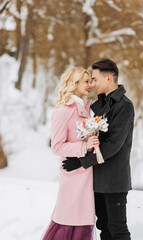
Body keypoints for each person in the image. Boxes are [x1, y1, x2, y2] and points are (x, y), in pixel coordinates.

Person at [63, 58, 135, 240]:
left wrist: (81, 162)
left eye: (94, 79)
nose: (93, 84)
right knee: (104, 227)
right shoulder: (101, 105)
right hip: (98, 179)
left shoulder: (124, 106)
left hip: (114, 180)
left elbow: (112, 145)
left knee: (117, 229)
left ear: (109, 78)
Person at [42, 68, 99, 240]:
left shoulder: (86, 107)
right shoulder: (62, 111)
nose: (90, 85)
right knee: (68, 222)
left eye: (90, 81)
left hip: (86, 173)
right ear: (74, 84)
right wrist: (84, 146)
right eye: (86, 81)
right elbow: (57, 147)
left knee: (81, 222)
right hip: (73, 176)